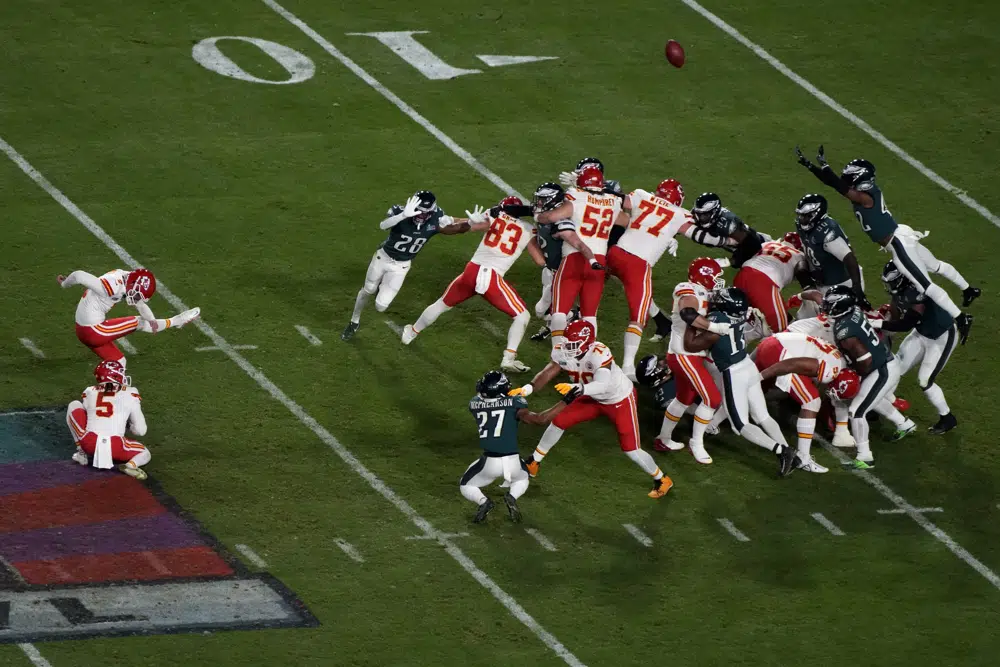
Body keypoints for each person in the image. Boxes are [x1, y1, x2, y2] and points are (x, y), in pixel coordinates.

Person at [796, 146, 978, 343]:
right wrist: (813, 167)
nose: (846, 180)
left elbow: (839, 186)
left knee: (926, 286)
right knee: (936, 266)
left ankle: (961, 318)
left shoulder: (865, 197)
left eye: (850, 177)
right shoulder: (866, 192)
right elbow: (838, 185)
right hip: (900, 234)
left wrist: (824, 166)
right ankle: (968, 289)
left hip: (897, 243)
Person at [509, 320, 673, 499]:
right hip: (590, 394)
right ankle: (534, 462)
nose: (567, 347)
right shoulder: (564, 351)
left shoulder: (598, 354)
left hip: (619, 400)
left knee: (631, 450)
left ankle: (662, 478)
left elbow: (602, 385)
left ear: (586, 343)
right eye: (567, 342)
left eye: (573, 344)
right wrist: (528, 388)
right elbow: (549, 371)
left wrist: (579, 389)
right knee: (559, 421)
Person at [402, 197, 542, 373]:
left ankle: (412, 332)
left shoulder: (495, 215)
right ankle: (509, 358)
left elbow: (473, 226)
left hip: (471, 271)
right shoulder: (529, 229)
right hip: (491, 276)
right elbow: (539, 260)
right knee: (522, 316)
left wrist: (456, 220)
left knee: (441, 304)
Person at [684, 288, 799, 476]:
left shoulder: (717, 321)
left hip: (733, 372)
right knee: (763, 417)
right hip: (747, 365)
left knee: (740, 425)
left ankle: (782, 451)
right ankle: (792, 455)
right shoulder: (737, 316)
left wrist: (692, 324)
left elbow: (690, 345)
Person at [342, 191, 478, 340]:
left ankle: (381, 287)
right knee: (368, 289)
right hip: (383, 257)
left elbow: (453, 227)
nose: (420, 216)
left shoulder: (436, 218)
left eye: (425, 212)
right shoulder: (401, 212)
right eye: (418, 211)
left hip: (401, 266)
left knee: (381, 306)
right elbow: (382, 225)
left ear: (431, 211)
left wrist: (470, 223)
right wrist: (403, 216)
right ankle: (354, 321)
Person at [462, 370, 579, 523]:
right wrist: (565, 401)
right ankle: (511, 496)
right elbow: (540, 419)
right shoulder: (515, 402)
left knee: (465, 485)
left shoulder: (474, 404)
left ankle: (484, 502)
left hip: (490, 461)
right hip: (513, 461)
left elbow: (491, 402)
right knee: (523, 478)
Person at [823, 286, 912, 469]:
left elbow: (865, 361)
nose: (826, 306)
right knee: (871, 399)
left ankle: (865, 457)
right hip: (884, 363)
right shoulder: (853, 310)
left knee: (857, 411)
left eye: (830, 304)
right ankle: (904, 424)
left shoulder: (845, 332)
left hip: (880, 370)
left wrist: (852, 375)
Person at [653, 258, 732, 462]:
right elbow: (688, 313)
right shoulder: (687, 289)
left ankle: (663, 439)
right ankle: (696, 444)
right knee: (712, 399)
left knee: (683, 399)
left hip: (686, 355)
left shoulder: (700, 290)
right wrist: (714, 328)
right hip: (685, 356)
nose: (717, 281)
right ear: (703, 276)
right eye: (714, 277)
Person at [609, 179, 689, 378]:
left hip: (613, 253)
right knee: (638, 316)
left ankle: (554, 310)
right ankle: (627, 368)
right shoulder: (680, 214)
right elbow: (698, 230)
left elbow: (622, 204)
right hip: (638, 264)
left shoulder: (642, 195)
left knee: (584, 277)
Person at [533, 173, 621, 346]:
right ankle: (588, 351)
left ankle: (557, 353)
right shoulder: (614, 201)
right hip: (599, 261)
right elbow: (625, 220)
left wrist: (537, 216)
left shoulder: (576, 197)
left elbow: (551, 217)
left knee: (559, 312)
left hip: (573, 260)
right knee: (589, 315)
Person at [756, 332, 861, 472]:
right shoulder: (831, 371)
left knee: (748, 390)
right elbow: (792, 364)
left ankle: (725, 412)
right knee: (812, 402)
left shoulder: (840, 364)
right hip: (780, 353)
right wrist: (760, 376)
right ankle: (803, 459)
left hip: (773, 343)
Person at [875, 263, 960, 434]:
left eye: (892, 281)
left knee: (925, 380)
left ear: (901, 279)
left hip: (941, 336)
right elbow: (896, 311)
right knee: (895, 367)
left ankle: (947, 418)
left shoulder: (918, 289)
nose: (889, 285)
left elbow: (906, 323)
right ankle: (880, 403)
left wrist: (878, 322)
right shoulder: (900, 290)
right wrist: (887, 318)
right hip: (922, 332)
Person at [57, 268, 200, 365]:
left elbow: (140, 304)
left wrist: (152, 321)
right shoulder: (113, 285)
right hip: (93, 330)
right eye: (137, 294)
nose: (136, 298)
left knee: (119, 363)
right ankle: (177, 321)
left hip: (84, 330)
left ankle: (107, 398)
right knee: (138, 322)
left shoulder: (128, 279)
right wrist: (64, 284)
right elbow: (79, 275)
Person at [66, 360, 151, 480]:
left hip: (89, 442)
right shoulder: (131, 393)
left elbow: (85, 414)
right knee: (145, 453)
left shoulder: (89, 391)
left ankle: (81, 452)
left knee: (74, 405)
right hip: (116, 446)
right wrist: (128, 425)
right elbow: (141, 431)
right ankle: (130, 465)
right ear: (115, 375)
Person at [788, 192, 868, 316]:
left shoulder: (827, 232)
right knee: (804, 317)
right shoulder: (802, 226)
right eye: (801, 216)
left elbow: (849, 258)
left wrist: (856, 287)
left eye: (806, 216)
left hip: (842, 284)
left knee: (835, 323)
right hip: (822, 283)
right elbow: (810, 248)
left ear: (817, 214)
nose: (802, 219)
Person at [734, 237, 809, 333]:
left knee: (738, 316)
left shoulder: (767, 244)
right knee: (782, 329)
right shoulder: (800, 255)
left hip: (742, 275)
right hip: (763, 282)